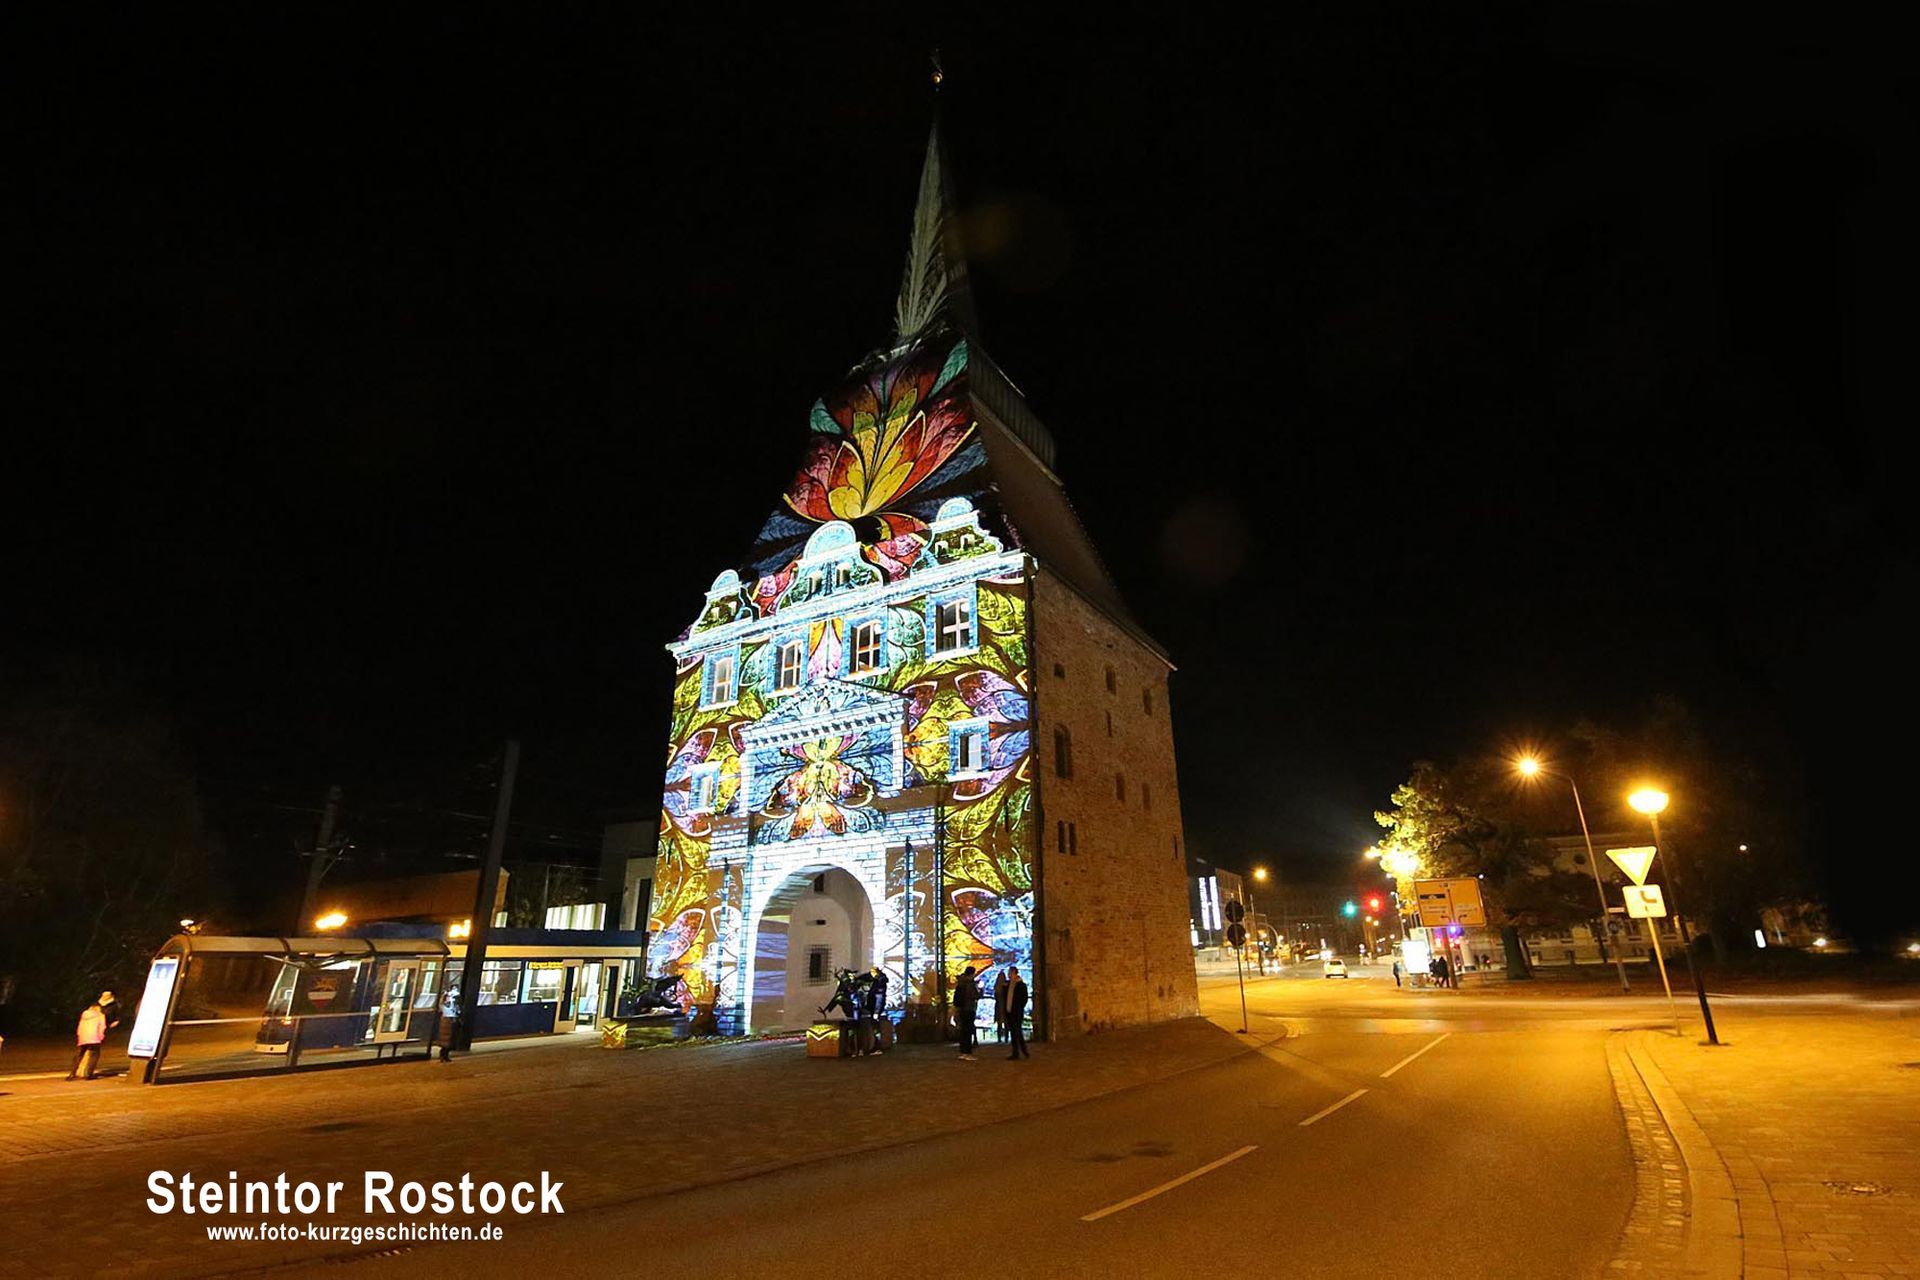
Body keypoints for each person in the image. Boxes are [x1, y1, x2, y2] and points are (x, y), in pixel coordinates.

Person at [65, 992, 114, 1081]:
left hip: (83, 1038)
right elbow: (102, 1027)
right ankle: (89, 1074)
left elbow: (80, 1028)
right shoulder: (100, 1015)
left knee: (79, 1055)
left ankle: (72, 1074)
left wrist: (80, 1036)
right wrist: (101, 1037)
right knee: (94, 1055)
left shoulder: (84, 1016)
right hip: (94, 1038)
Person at [953, 966, 980, 1061]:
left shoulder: (961, 982)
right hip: (969, 1008)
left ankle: (963, 1051)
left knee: (963, 1031)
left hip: (961, 1009)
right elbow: (975, 995)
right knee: (968, 1031)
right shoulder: (970, 983)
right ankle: (968, 1052)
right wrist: (980, 990)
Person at [1004, 967, 1029, 1060]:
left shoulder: (1021, 985)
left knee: (1016, 1032)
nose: (1008, 974)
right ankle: (1022, 1051)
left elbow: (1023, 999)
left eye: (1010, 972)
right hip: (1010, 1011)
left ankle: (1018, 1052)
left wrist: (1018, 1007)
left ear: (1014, 973)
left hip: (1016, 1012)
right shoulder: (1008, 985)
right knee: (1016, 1032)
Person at [992, 968, 1010, 1042]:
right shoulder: (1006, 985)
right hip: (1005, 1005)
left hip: (999, 1006)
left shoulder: (996, 986)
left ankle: (999, 1038)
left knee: (999, 1023)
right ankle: (1006, 1037)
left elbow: (996, 996)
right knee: (1006, 1022)